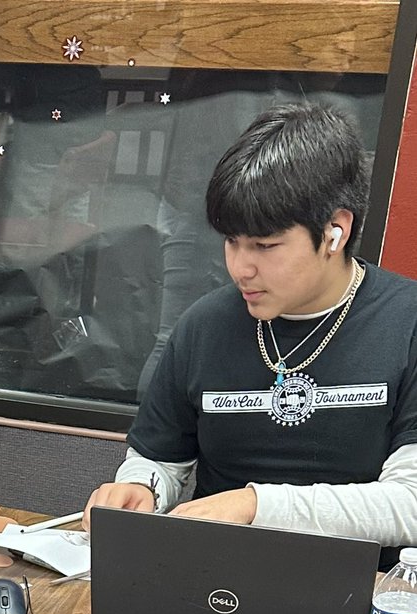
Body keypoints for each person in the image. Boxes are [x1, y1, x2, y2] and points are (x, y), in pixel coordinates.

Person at [84, 103, 417, 556]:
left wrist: (255, 506)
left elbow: (409, 505)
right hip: (211, 580)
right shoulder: (204, 326)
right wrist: (144, 488)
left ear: (335, 231)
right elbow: (161, 462)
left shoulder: (406, 321)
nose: (240, 267)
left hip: (359, 594)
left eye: (265, 246)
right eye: (231, 242)